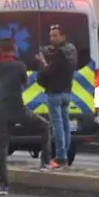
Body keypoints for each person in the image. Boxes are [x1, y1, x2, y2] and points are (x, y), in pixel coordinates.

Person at [0, 38, 43, 196]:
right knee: (44, 127)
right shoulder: (19, 66)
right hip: (17, 108)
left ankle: (3, 185)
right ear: (15, 49)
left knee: (2, 148)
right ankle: (45, 162)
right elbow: (24, 83)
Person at [34, 24, 78, 170]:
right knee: (66, 125)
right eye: (51, 35)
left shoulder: (59, 54)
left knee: (58, 126)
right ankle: (65, 153)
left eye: (55, 35)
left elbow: (49, 71)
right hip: (67, 92)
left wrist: (42, 60)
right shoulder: (71, 50)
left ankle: (60, 157)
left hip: (55, 93)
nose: (52, 38)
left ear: (63, 36)